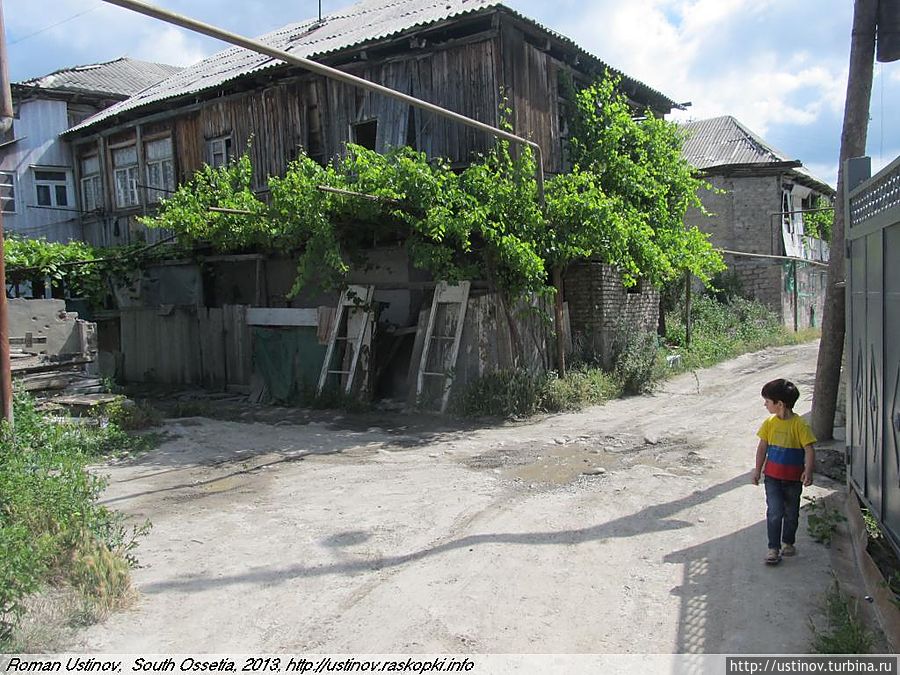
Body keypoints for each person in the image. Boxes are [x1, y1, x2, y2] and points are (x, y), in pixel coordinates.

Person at [751, 378, 816, 565]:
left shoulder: (800, 425)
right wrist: (757, 470)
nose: (765, 404)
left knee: (791, 513)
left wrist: (808, 471)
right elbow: (762, 448)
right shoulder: (769, 423)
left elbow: (809, 449)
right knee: (774, 512)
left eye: (767, 401)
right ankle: (773, 548)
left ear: (779, 404)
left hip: (793, 479)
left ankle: (788, 542)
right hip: (772, 478)